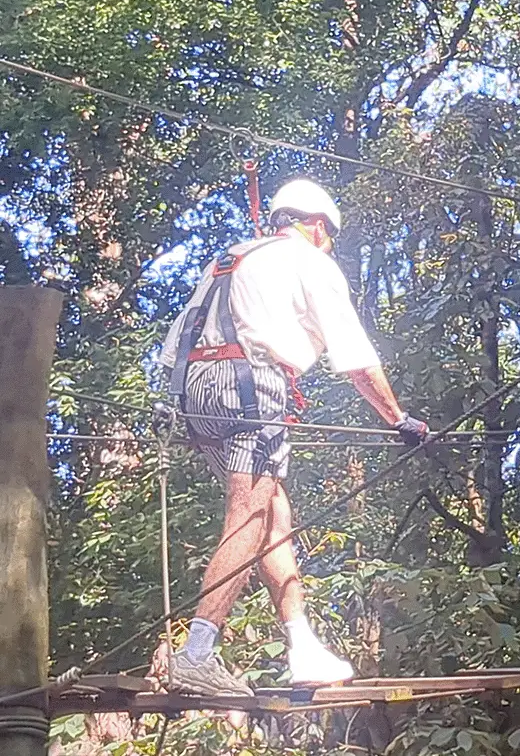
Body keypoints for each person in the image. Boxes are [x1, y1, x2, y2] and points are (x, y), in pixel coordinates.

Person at [160, 178, 429, 696]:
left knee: (273, 513)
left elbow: (183, 332)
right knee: (252, 512)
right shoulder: (310, 260)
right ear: (317, 227)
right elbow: (354, 355)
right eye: (328, 237)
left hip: (192, 390)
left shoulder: (231, 256)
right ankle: (196, 653)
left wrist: (170, 403)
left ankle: (301, 643)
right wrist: (398, 418)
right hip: (248, 383)